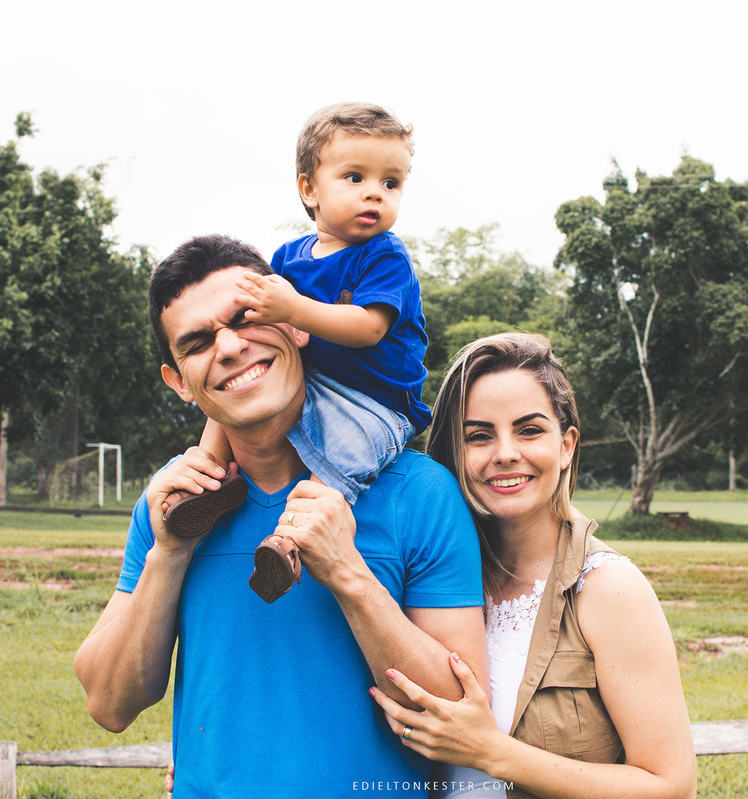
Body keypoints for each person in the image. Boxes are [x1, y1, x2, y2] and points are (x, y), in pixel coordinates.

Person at [73, 235, 486, 797]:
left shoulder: (420, 493)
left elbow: (461, 715)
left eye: (245, 318)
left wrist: (347, 573)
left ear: (296, 323)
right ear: (179, 382)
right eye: (196, 343)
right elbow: (109, 703)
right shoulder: (174, 502)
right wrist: (168, 552)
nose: (228, 348)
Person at [370, 333, 697, 799]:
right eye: (479, 436)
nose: (505, 452)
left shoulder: (608, 590)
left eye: (529, 430)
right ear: (453, 454)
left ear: (566, 446)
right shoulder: (426, 582)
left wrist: (491, 752)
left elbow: (671, 786)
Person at [169, 102, 429, 603]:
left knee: (340, 461)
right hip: (313, 379)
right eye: (354, 177)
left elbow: (370, 327)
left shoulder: (384, 256)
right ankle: (206, 479)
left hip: (376, 401)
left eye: (391, 182)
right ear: (309, 188)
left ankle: (287, 544)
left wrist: (295, 309)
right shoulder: (289, 257)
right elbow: (268, 317)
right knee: (233, 396)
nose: (375, 191)